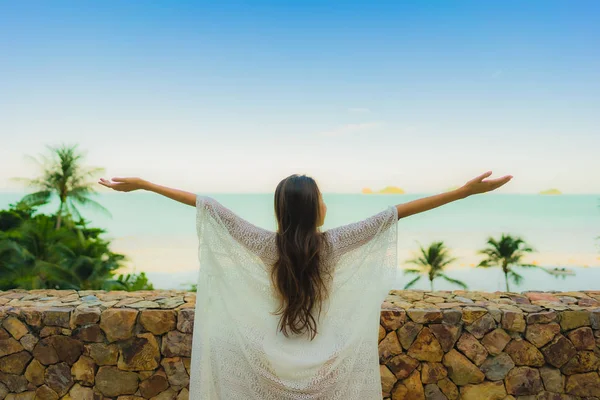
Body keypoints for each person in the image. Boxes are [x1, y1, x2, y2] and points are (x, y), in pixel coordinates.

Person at [99, 171, 511, 399]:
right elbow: (397, 213)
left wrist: (148, 186)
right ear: (315, 207)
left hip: (269, 359)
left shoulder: (264, 244)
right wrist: (462, 192)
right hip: (327, 363)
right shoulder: (334, 243)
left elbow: (209, 207)